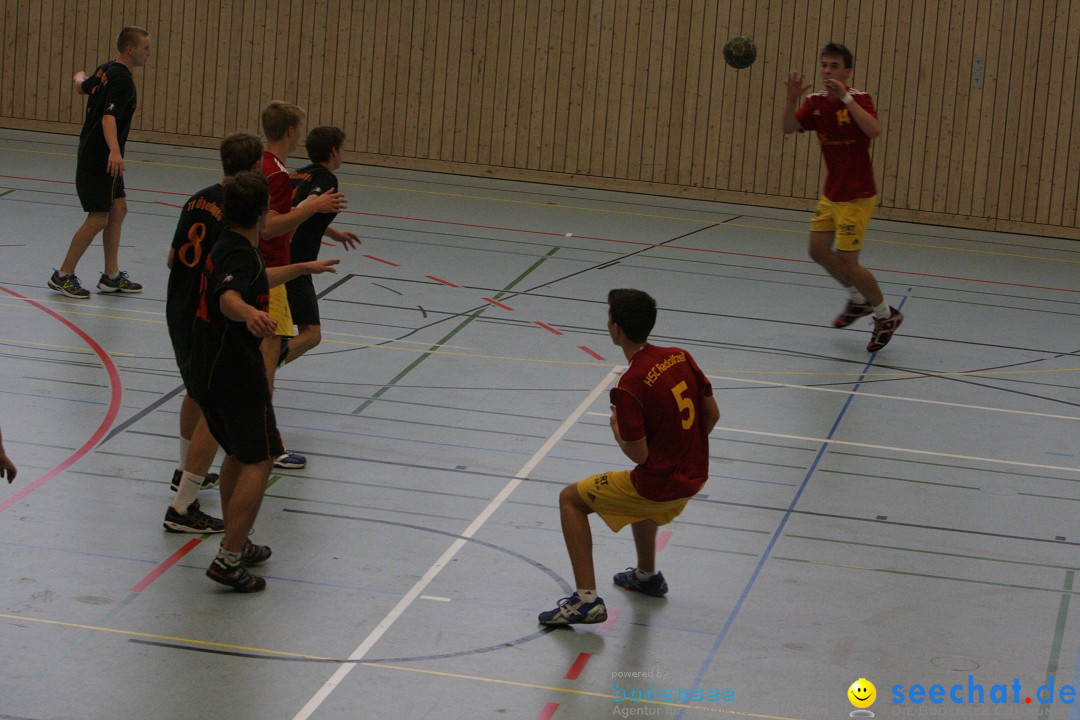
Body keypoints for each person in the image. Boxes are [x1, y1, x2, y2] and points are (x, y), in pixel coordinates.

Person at [187, 171, 339, 592]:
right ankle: (229, 558)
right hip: (235, 372)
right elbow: (230, 297)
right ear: (263, 212)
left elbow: (251, 278)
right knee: (261, 459)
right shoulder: (239, 254)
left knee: (238, 454)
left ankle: (238, 538)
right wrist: (249, 314)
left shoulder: (232, 245)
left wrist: (301, 267)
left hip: (209, 371)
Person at [538, 289, 720, 625]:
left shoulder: (629, 386)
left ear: (616, 328)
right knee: (637, 493)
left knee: (570, 499)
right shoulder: (681, 356)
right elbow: (712, 415)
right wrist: (681, 451)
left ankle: (585, 600)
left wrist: (617, 431)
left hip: (659, 487)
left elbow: (638, 454)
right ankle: (646, 575)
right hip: (693, 475)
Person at [162, 132, 264, 534]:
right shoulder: (234, 218)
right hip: (205, 315)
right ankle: (183, 505)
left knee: (195, 391)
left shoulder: (196, 198)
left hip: (177, 305)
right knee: (210, 403)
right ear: (255, 166)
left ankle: (185, 471)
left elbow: (173, 258)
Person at [781, 42, 903, 352]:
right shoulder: (815, 102)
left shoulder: (859, 99)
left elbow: (874, 131)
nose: (827, 71)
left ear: (847, 72)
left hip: (857, 196)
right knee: (818, 251)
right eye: (824, 65)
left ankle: (886, 315)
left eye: (834, 66)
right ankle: (857, 299)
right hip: (832, 193)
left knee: (849, 264)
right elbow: (788, 127)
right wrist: (791, 97)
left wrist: (846, 98)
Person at [258, 102, 347, 469]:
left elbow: (292, 210)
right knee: (306, 336)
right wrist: (315, 213)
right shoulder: (314, 179)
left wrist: (328, 227)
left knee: (285, 340)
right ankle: (266, 435)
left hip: (286, 264)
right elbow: (277, 222)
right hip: (287, 268)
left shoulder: (291, 173)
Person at [48, 26, 151, 299]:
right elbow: (108, 118)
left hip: (101, 156)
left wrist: (79, 77)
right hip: (100, 158)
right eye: (145, 48)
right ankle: (63, 275)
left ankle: (111, 276)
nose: (148, 53)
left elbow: (84, 86)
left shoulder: (107, 69)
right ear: (130, 49)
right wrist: (115, 152)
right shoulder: (122, 80)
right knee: (98, 218)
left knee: (118, 210)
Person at [282, 126, 360, 365]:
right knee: (311, 335)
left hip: (279, 260)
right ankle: (263, 366)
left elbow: (294, 212)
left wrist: (331, 232)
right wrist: (291, 236)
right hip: (297, 264)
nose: (344, 153)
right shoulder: (326, 179)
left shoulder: (296, 174)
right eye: (343, 148)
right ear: (333, 150)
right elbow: (308, 204)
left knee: (275, 327)